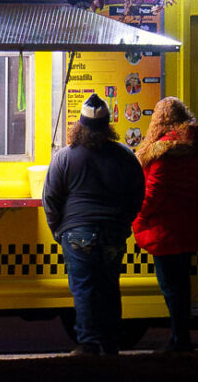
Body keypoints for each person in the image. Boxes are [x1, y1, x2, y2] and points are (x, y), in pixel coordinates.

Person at [43, 93, 144, 355]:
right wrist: (123, 223)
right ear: (108, 125)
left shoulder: (64, 157)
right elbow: (137, 194)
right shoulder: (124, 155)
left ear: (80, 125)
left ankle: (88, 343)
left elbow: (51, 198)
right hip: (112, 232)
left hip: (77, 233)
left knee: (84, 287)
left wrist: (58, 230)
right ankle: (110, 343)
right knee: (109, 285)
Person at [131, 96, 198, 353]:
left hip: (166, 229)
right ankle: (182, 336)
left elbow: (153, 192)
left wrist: (138, 220)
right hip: (190, 226)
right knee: (182, 284)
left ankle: (179, 339)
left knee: (170, 285)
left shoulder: (163, 151)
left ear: (159, 119)